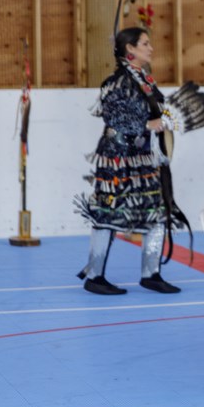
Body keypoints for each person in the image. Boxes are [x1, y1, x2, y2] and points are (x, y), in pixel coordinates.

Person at [75, 27, 181, 295]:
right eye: (145, 43)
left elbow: (154, 110)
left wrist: (164, 119)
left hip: (144, 157)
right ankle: (95, 276)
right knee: (108, 213)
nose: (151, 48)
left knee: (156, 210)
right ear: (130, 49)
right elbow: (114, 117)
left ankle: (151, 273)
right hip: (118, 159)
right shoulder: (117, 82)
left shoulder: (144, 79)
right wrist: (151, 123)